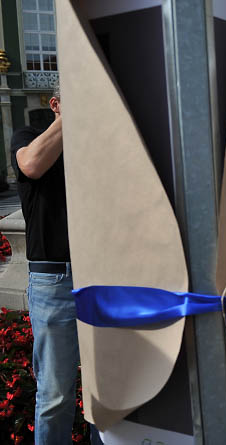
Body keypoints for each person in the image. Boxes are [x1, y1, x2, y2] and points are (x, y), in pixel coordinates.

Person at [10, 85, 79, 442]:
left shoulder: (96, 143)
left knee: (110, 390)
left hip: (104, 277)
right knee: (55, 396)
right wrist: (73, 115)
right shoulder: (28, 136)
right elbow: (31, 165)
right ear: (55, 104)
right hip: (55, 282)